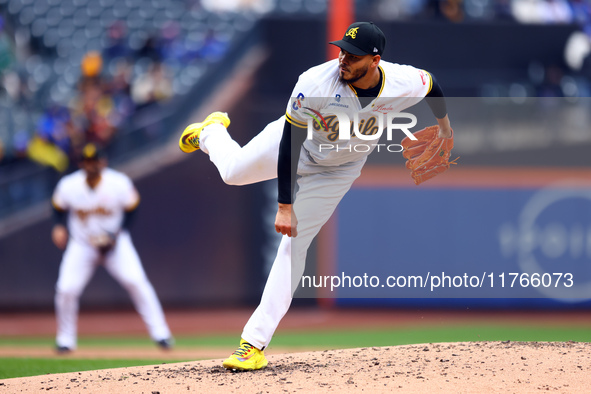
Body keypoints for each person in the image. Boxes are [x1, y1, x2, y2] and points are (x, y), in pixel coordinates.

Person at [179, 21, 452, 370]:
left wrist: (444, 128)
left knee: (294, 245)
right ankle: (212, 131)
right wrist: (284, 205)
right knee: (232, 173)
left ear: (375, 59)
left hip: (338, 170)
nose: (343, 59)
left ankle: (252, 343)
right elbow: (290, 142)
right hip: (296, 146)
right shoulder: (315, 82)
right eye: (342, 51)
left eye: (353, 56)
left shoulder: (401, 81)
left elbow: (432, 85)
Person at [51, 143, 173, 353]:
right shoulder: (68, 185)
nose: (91, 165)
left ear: (103, 161)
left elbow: (132, 209)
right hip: (82, 244)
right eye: (87, 161)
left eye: (95, 160)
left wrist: (118, 233)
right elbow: (58, 207)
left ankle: (161, 334)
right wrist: (58, 226)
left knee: (136, 282)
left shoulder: (118, 182)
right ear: (81, 163)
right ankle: (65, 340)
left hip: (116, 244)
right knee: (66, 289)